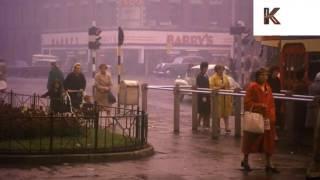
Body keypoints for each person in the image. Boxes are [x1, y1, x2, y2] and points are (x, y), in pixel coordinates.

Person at [241, 68, 279, 173]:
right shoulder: (252, 87)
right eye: (262, 75)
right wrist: (259, 106)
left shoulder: (268, 87)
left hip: (267, 118)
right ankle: (245, 160)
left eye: (266, 75)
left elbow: (271, 103)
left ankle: (269, 163)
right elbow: (247, 102)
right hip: (256, 118)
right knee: (250, 139)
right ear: (257, 76)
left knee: (268, 141)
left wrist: (272, 115)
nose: (264, 77)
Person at [209, 64, 232, 133]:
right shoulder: (213, 78)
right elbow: (211, 87)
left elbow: (229, 86)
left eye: (222, 69)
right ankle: (218, 127)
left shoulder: (226, 77)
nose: (221, 71)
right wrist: (220, 87)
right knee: (218, 113)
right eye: (220, 69)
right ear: (216, 70)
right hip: (218, 98)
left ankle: (227, 127)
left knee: (226, 114)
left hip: (226, 97)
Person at [292, 69, 308, 144]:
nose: (306, 76)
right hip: (301, 105)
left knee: (298, 122)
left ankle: (297, 139)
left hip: (298, 105)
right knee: (300, 122)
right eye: (305, 75)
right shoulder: (302, 85)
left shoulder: (298, 84)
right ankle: (298, 139)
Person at [267, 66, 282, 135]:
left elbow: (279, 90)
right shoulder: (268, 79)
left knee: (274, 116)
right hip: (268, 99)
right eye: (276, 71)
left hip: (276, 100)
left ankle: (274, 132)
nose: (277, 73)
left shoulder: (277, 80)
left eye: (278, 72)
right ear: (272, 71)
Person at [196, 62, 210, 128]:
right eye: (205, 67)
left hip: (207, 94)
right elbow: (201, 86)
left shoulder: (206, 75)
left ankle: (205, 124)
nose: (206, 69)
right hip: (202, 95)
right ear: (202, 68)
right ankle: (198, 123)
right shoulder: (200, 76)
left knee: (206, 111)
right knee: (202, 111)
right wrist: (204, 96)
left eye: (206, 67)